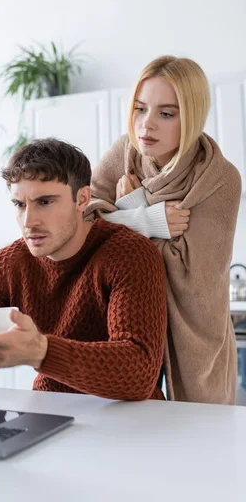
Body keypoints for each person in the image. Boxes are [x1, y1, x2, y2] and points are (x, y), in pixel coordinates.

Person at [87, 55, 241, 404]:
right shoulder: (124, 153)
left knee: (196, 443)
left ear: (192, 116)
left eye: (166, 113)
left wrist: (128, 208)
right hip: (128, 326)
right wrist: (141, 217)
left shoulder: (220, 179)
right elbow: (82, 225)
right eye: (140, 109)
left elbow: (192, 271)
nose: (146, 125)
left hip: (198, 334)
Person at [0, 138, 167, 401]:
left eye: (45, 202)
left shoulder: (130, 254)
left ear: (82, 199)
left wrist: (41, 351)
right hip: (51, 409)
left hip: (129, 420)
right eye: (20, 204)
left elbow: (139, 372)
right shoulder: (4, 265)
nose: (29, 221)